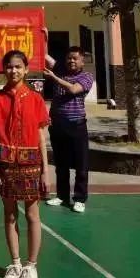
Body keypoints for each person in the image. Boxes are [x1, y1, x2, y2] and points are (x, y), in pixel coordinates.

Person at [0, 49, 49, 278]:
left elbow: (41, 135)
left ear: (26, 69)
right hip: (5, 165)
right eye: (9, 66)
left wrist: (45, 170)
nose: (13, 71)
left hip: (31, 164)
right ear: (4, 69)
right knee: (10, 214)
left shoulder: (35, 99)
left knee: (32, 214)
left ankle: (31, 265)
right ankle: (14, 262)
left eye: (18, 67)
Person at [44, 47, 94, 213]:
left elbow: (73, 89)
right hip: (57, 125)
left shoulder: (86, 77)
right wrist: (39, 37)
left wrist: (54, 78)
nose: (71, 61)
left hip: (76, 125)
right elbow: (44, 56)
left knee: (81, 165)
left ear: (82, 61)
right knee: (61, 164)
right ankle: (62, 196)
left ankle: (79, 199)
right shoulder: (60, 71)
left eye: (75, 58)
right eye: (68, 58)